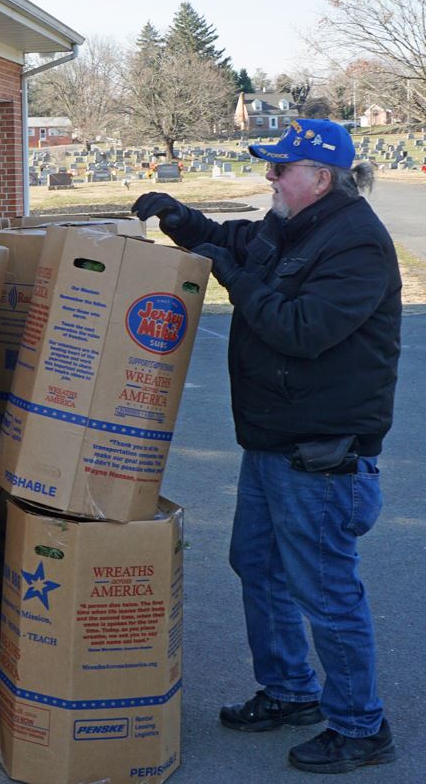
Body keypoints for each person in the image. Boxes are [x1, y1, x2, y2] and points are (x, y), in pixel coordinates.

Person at [131, 118, 400, 774]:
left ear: (321, 177)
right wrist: (180, 217)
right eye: (271, 166)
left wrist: (233, 279)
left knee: (327, 592)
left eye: (281, 169)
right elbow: (233, 242)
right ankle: (289, 690)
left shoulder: (357, 244)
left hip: (321, 455)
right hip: (273, 442)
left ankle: (362, 726)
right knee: (258, 562)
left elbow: (301, 328)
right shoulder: (289, 224)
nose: (270, 177)